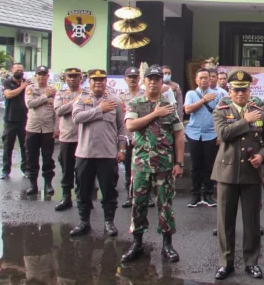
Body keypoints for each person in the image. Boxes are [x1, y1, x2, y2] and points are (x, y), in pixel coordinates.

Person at [212, 70, 264, 280]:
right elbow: (223, 134)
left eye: (244, 90)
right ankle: (225, 263)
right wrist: (245, 120)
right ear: (229, 91)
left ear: (249, 91)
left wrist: (261, 156)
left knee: (252, 221)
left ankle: (251, 262)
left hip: (251, 173)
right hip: (227, 172)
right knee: (225, 222)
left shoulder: (260, 113)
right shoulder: (221, 111)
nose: (240, 94)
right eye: (236, 90)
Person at [121, 65, 185, 263]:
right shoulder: (135, 103)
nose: (154, 83)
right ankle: (137, 243)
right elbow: (130, 125)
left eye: (157, 79)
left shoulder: (169, 106)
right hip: (141, 164)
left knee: (165, 204)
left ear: (161, 82)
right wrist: (155, 114)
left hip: (164, 164)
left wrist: (179, 162)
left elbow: (178, 135)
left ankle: (167, 244)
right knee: (138, 204)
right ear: (144, 81)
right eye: (150, 79)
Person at [70, 69, 126, 237]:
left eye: (101, 79)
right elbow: (76, 118)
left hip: (107, 154)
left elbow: (122, 127)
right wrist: (99, 110)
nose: (98, 82)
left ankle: (109, 222)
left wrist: (122, 148)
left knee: (109, 191)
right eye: (95, 80)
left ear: (106, 81)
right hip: (85, 154)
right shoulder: (81, 99)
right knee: (83, 191)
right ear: (89, 82)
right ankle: (84, 222)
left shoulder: (115, 101)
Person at [184, 68, 223, 207]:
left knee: (209, 165)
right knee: (195, 166)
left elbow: (221, 115)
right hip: (194, 133)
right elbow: (187, 110)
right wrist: (203, 100)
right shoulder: (191, 94)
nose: (204, 80)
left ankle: (208, 194)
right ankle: (195, 195)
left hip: (211, 134)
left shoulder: (218, 95)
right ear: (196, 80)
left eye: (206, 77)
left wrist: (219, 134)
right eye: (201, 78)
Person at [24, 66, 58, 195]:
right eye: (39, 74)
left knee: (48, 158)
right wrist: (45, 96)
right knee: (32, 157)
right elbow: (30, 104)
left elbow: (56, 110)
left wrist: (56, 128)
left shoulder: (53, 90)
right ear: (35, 76)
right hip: (33, 128)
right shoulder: (30, 89)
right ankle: (33, 184)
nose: (42, 76)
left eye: (44, 74)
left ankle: (48, 184)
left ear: (48, 76)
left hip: (48, 129)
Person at [53, 67, 82, 211]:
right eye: (70, 76)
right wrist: (76, 102)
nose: (72, 79)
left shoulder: (86, 93)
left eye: (75, 77)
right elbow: (59, 111)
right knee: (67, 168)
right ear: (65, 79)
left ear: (80, 79)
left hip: (83, 137)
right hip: (67, 136)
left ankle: (83, 197)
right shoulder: (60, 94)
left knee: (83, 170)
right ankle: (66, 197)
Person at [118, 67, 147, 208]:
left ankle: (146, 195)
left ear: (139, 79)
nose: (132, 80)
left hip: (143, 136)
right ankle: (130, 195)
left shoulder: (145, 95)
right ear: (125, 79)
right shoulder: (120, 97)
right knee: (129, 168)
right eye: (130, 77)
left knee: (145, 167)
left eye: (135, 77)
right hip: (127, 136)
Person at [0, 63, 29, 180]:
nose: (19, 72)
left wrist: (25, 85)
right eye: (17, 70)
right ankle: (5, 171)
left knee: (25, 146)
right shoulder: (7, 82)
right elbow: (9, 95)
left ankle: (26, 169)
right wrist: (22, 87)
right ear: (11, 71)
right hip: (10, 119)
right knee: (8, 146)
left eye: (21, 70)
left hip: (25, 119)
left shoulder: (27, 83)